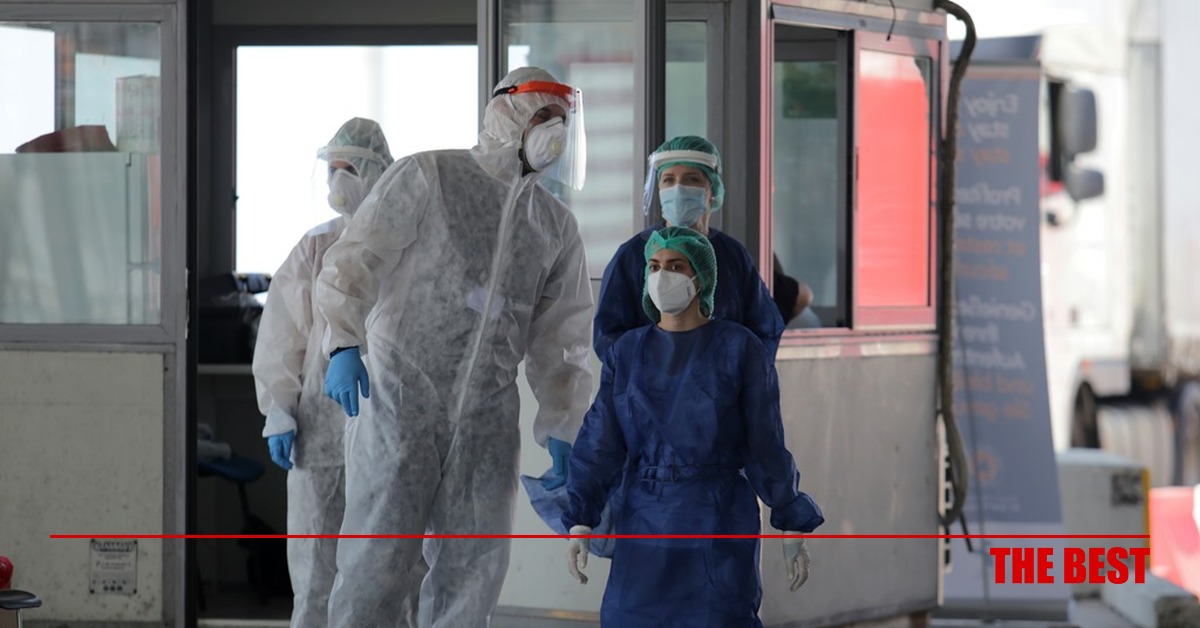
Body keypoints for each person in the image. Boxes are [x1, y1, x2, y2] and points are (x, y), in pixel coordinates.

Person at [314, 67, 594, 627]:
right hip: (400, 399)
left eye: (563, 121)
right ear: (507, 115)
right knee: (376, 563)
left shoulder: (554, 225)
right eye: (543, 116)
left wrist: (563, 423)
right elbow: (356, 256)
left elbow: (561, 335)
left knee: (475, 570)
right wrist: (342, 340)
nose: (555, 133)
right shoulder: (430, 175)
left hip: (487, 417)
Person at [563, 226, 824, 626]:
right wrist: (581, 516)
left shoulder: (739, 349)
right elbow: (601, 439)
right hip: (644, 523)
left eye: (675, 266)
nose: (661, 276)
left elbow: (764, 443)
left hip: (717, 521)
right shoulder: (627, 352)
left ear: (700, 277)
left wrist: (790, 517)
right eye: (654, 266)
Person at [250, 117, 397, 628]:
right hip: (321, 423)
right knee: (316, 565)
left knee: (394, 566)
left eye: (349, 168)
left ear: (378, 172)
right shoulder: (316, 246)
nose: (338, 180)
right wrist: (279, 410)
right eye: (332, 169)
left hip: (392, 423)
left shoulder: (409, 243)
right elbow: (282, 334)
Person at [594, 135, 784, 360]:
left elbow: (764, 330)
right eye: (668, 180)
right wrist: (651, 368)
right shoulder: (633, 256)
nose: (678, 189)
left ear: (712, 189)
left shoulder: (733, 256)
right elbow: (609, 337)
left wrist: (733, 369)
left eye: (691, 179)